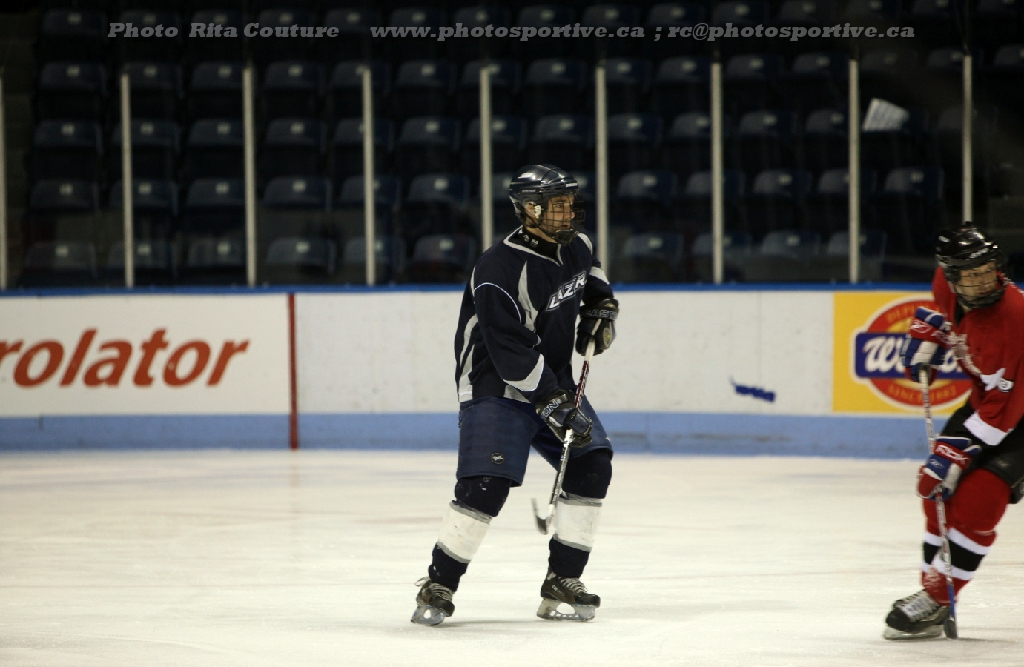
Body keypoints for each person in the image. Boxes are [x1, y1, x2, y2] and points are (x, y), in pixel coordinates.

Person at [410, 165, 619, 626]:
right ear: (529, 209)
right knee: (486, 485)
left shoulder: (578, 245)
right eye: (558, 204)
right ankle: (439, 584)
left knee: (592, 464)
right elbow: (509, 352)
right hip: (495, 386)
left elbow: (592, 273)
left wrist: (602, 306)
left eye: (570, 203)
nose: (569, 212)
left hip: (553, 381)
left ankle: (562, 580)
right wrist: (553, 402)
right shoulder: (498, 269)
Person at [886, 225, 1024, 639]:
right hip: (988, 402)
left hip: (1016, 412)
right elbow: (956, 326)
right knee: (936, 490)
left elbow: (1008, 406)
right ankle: (934, 592)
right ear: (951, 276)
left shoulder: (1016, 317)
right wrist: (936, 338)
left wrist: (960, 449)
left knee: (978, 502)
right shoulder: (943, 287)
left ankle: (937, 597)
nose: (982, 281)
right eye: (971, 274)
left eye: (987, 271)